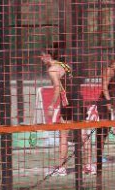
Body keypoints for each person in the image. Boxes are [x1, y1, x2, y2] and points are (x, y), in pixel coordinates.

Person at [41, 44, 75, 177]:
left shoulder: (52, 69)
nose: (41, 58)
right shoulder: (65, 65)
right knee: (82, 133)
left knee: (64, 135)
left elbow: (57, 88)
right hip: (77, 99)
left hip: (68, 102)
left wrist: (51, 105)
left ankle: (61, 167)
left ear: (48, 56)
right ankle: (89, 165)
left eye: (42, 56)